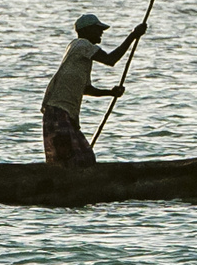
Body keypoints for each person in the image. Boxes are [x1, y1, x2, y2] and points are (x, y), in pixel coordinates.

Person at [42, 14, 145, 166]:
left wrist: (110, 92)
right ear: (87, 30)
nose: (101, 33)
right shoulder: (81, 45)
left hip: (66, 114)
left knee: (86, 158)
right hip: (57, 111)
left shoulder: (81, 56)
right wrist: (133, 36)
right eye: (98, 29)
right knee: (70, 160)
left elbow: (86, 89)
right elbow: (111, 60)